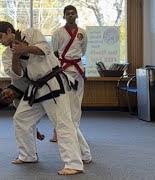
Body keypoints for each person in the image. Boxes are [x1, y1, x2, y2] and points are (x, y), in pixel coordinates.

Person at [0, 21, 83, 175]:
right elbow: (16, 75)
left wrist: (25, 48)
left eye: (0, 37)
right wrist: (16, 53)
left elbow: (46, 49)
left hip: (53, 82)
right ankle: (27, 155)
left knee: (63, 123)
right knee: (21, 119)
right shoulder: (6, 54)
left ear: (9, 31)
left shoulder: (32, 33)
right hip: (34, 88)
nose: (0, 41)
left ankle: (74, 163)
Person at [51, 5, 92, 163]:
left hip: (78, 70)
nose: (70, 15)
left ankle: (74, 134)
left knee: (75, 108)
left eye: (72, 13)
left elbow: (83, 50)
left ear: (76, 15)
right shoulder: (58, 33)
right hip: (64, 71)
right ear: (64, 16)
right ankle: (81, 148)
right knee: (64, 107)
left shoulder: (82, 33)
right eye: (67, 13)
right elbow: (55, 52)